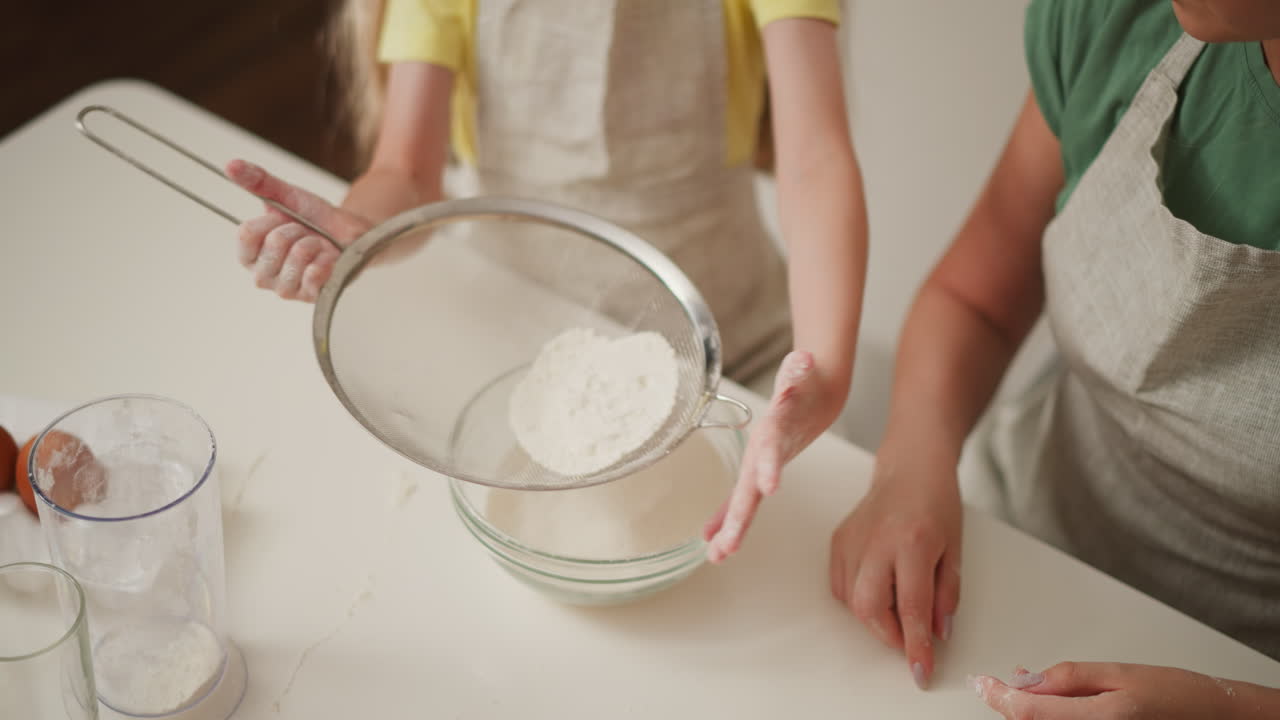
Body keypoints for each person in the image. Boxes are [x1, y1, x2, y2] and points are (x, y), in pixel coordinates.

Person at [224, 0, 868, 563]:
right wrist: (357, 228)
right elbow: (407, 172)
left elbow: (814, 160)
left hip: (734, 347)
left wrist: (827, 374)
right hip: (514, 352)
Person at [828, 0, 1280, 712]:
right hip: (1012, 538)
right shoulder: (1122, 17)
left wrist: (1230, 705)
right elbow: (973, 302)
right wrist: (912, 462)